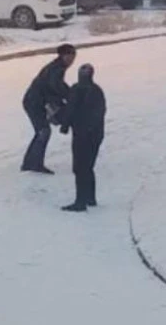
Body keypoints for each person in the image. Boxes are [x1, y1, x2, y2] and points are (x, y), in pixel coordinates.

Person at [21, 43, 77, 174]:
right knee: (43, 131)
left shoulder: (58, 67)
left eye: (73, 57)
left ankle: (30, 163)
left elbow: (58, 86)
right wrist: (69, 98)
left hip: (38, 102)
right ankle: (33, 164)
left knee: (43, 131)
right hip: (34, 102)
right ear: (62, 56)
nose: (71, 60)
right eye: (69, 56)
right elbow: (55, 86)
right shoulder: (56, 69)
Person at [58, 62, 106, 212]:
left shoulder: (81, 90)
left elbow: (71, 109)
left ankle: (81, 201)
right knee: (87, 167)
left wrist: (66, 125)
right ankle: (89, 198)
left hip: (84, 134)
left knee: (80, 167)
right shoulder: (95, 91)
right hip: (93, 134)